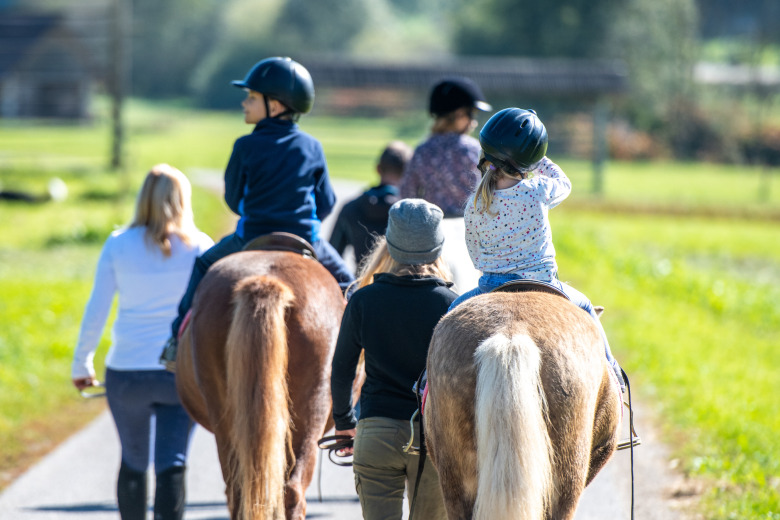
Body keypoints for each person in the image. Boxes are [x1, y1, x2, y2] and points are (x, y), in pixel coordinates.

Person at [160, 56, 353, 370]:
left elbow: (234, 200)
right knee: (350, 283)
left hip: (251, 237)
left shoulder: (244, 146)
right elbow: (327, 201)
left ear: (274, 106)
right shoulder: (313, 146)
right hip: (306, 240)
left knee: (204, 263)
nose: (244, 103)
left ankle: (174, 341)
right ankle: (363, 355)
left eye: (251, 98)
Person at [71, 164, 214, 520]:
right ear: (183, 200)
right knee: (173, 460)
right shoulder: (202, 247)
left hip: (127, 372)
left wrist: (81, 363)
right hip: (178, 374)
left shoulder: (118, 244)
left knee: (133, 459)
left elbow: (97, 308)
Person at [449, 107, 625, 389]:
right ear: (528, 161)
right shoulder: (538, 190)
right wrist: (538, 159)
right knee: (585, 308)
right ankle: (614, 376)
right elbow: (564, 183)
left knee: (448, 320)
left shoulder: (475, 203)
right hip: (543, 283)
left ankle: (425, 387)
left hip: (490, 285)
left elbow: (475, 254)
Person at [330, 199, 456, 520]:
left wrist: (345, 424)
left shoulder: (362, 300)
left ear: (391, 243)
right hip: (433, 440)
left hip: (375, 434)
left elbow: (342, 369)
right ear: (437, 247)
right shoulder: (453, 305)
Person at [399, 76, 492, 291]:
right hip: (471, 232)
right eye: (471, 114)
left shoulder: (422, 150)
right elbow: (488, 195)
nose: (474, 121)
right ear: (457, 114)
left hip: (432, 232)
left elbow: (406, 195)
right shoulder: (473, 150)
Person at [329, 140, 412, 271]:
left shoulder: (351, 207)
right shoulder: (410, 214)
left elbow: (332, 256)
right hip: (400, 287)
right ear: (408, 173)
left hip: (362, 285)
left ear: (378, 169)